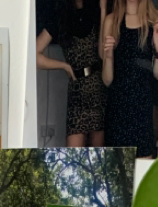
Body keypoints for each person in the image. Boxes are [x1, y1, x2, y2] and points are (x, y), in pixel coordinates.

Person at [36, 0, 108, 148]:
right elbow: (34, 55)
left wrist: (103, 8)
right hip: (77, 93)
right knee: (73, 159)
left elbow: (103, 53)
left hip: (98, 90)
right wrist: (64, 66)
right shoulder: (59, 16)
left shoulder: (95, 11)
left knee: (100, 161)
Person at [102, 0, 158, 159]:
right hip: (118, 108)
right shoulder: (112, 21)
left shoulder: (154, 19)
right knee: (118, 175)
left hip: (142, 108)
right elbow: (107, 80)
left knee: (143, 172)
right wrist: (109, 57)